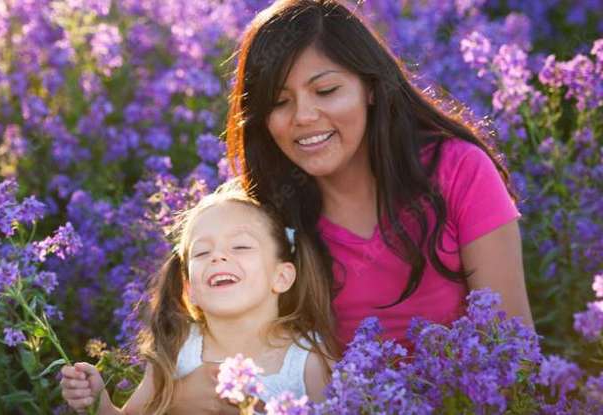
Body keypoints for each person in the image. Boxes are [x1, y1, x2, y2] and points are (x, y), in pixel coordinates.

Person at [171, 0, 535, 412]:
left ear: (372, 88)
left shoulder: (458, 170)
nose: (304, 116)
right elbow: (230, 343)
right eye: (279, 102)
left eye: (326, 91)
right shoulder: (263, 216)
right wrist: (180, 394)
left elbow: (512, 350)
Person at [60, 179, 339, 414]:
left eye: (241, 246)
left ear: (282, 276)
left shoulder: (308, 361)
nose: (218, 256)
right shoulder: (177, 347)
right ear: (189, 289)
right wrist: (99, 402)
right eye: (202, 252)